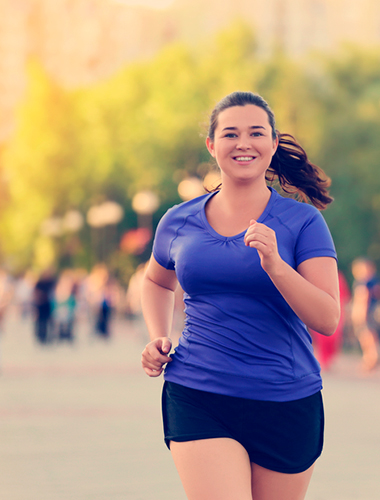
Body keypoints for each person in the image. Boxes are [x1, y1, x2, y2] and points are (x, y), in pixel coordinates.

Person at [140, 91, 339, 500]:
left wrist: (277, 266)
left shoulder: (304, 222)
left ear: (271, 143)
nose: (243, 143)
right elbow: (157, 281)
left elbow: (327, 318)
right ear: (212, 146)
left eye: (255, 133)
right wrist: (158, 334)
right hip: (198, 393)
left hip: (285, 399)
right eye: (230, 134)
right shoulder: (178, 220)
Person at [351, 258, 380, 371]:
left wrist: (360, 313)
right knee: (370, 334)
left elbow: (362, 298)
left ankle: (371, 358)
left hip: (365, 312)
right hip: (373, 311)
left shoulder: (363, 283)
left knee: (366, 336)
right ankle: (372, 357)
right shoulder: (374, 281)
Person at [312, 270, 350, 372]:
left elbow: (345, 296)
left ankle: (330, 359)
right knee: (321, 337)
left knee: (334, 336)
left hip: (337, 309)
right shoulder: (314, 274)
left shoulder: (338, 277)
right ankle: (324, 360)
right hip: (319, 309)